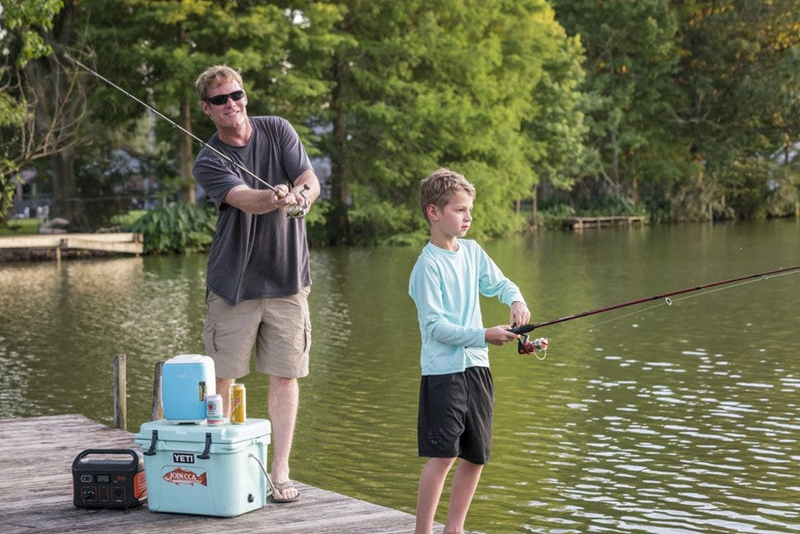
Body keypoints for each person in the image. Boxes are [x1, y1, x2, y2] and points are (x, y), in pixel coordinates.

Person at [192, 65, 320, 504]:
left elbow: (310, 180)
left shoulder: (278, 130)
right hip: (233, 285)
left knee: (285, 377)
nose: (232, 104)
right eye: (221, 100)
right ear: (207, 109)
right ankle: (219, 463)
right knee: (222, 378)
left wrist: (299, 196)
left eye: (237, 95)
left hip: (287, 280)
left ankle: (279, 471)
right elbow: (243, 199)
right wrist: (273, 197)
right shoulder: (208, 159)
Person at [408, 168, 531, 533]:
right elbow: (435, 327)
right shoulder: (426, 267)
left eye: (470, 209)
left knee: (476, 455)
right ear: (434, 212)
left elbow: (500, 283)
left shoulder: (473, 252)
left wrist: (516, 299)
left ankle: (454, 528)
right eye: (460, 210)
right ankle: (423, 531)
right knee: (444, 454)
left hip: (477, 369)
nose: (468, 217)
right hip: (443, 372)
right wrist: (484, 335)